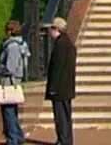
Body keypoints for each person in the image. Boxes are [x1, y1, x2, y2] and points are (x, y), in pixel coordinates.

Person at [0, 19, 30, 145]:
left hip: (9, 83)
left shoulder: (12, 46)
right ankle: (18, 136)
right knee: (12, 111)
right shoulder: (20, 44)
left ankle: (12, 139)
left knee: (8, 111)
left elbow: (10, 68)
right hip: (14, 82)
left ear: (9, 31)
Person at [44, 15, 76, 145]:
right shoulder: (68, 43)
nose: (50, 31)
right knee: (66, 115)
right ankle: (66, 139)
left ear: (57, 29)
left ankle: (63, 140)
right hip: (66, 87)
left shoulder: (61, 45)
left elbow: (58, 68)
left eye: (52, 28)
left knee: (61, 116)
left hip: (60, 89)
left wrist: (53, 88)